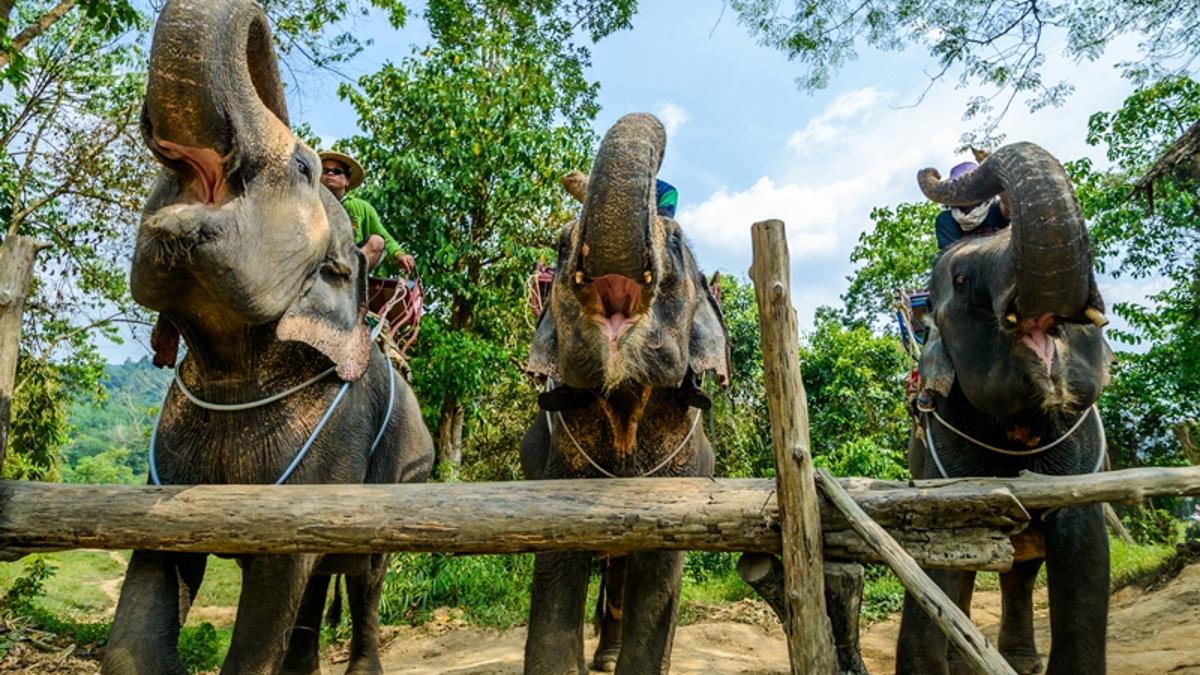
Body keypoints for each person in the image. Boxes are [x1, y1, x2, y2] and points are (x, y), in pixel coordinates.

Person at [319, 150, 415, 276]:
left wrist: (399, 254)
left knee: (377, 241)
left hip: (349, 263)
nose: (330, 174)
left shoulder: (362, 207)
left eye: (337, 171)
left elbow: (384, 236)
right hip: (317, 259)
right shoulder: (308, 204)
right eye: (325, 171)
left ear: (347, 180)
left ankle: (347, 280)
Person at [934, 160, 1012, 250]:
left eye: (971, 185)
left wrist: (995, 170)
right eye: (961, 188)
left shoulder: (995, 209)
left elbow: (1008, 206)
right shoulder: (946, 220)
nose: (967, 191)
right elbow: (952, 256)